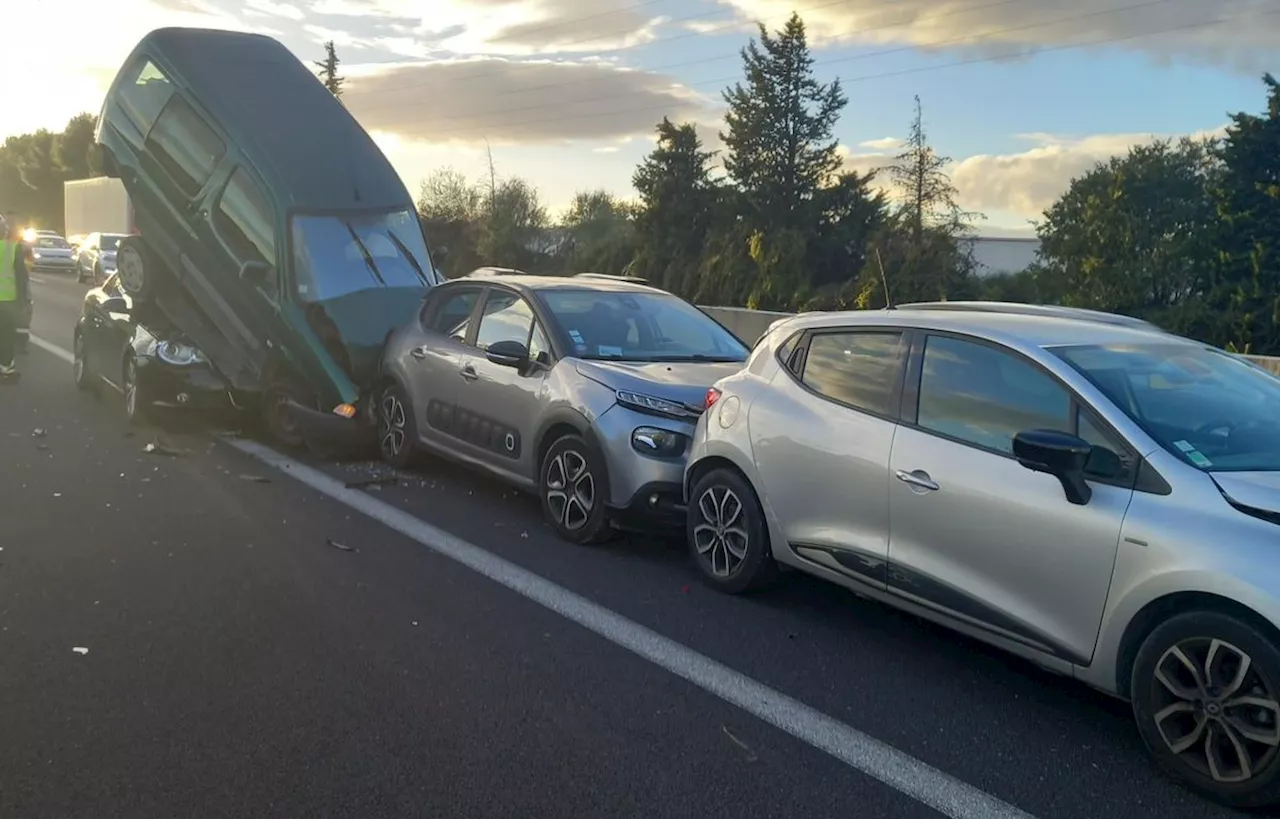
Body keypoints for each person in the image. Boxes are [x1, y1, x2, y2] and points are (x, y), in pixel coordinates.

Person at [0, 214, 32, 383]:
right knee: (5, 336)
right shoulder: (12, 249)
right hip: (7, 301)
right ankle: (6, 369)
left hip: (7, 301)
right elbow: (21, 277)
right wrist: (23, 301)